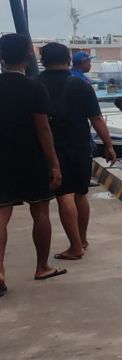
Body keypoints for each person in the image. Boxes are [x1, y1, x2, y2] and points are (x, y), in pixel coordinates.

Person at [37, 42, 117, 260]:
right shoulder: (80, 85)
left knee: (64, 195)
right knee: (81, 194)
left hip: (52, 148)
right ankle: (82, 239)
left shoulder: (36, 84)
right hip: (81, 145)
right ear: (68, 61)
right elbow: (97, 118)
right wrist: (108, 145)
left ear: (43, 61)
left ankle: (75, 247)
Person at [0, 33, 65, 295]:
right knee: (40, 213)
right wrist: (55, 164)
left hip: (1, 159)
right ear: (28, 56)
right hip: (32, 157)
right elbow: (43, 129)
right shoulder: (34, 87)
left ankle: (0, 273)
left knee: (1, 216)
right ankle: (42, 267)